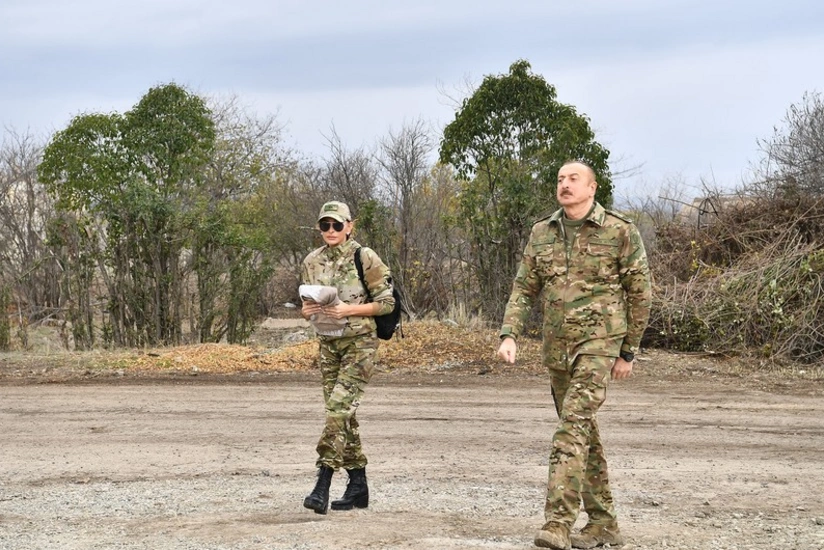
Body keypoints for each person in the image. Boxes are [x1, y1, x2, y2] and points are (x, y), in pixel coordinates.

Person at [497, 161, 651, 550]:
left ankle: (558, 523)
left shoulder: (619, 230)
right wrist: (510, 332)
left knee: (570, 430)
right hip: (558, 349)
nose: (564, 185)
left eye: (573, 179)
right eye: (560, 179)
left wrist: (628, 352)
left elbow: (641, 294)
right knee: (584, 432)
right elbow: (523, 287)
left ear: (592, 187)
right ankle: (603, 523)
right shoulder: (542, 232)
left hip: (600, 346)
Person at [300, 200, 396, 515]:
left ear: (349, 226)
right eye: (325, 225)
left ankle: (322, 482)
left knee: (338, 408)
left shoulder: (364, 257)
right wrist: (308, 310)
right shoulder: (311, 261)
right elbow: (305, 305)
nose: (331, 230)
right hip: (328, 342)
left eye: (337, 225)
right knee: (342, 414)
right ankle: (358, 486)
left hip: (360, 343)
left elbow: (387, 303)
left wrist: (350, 309)